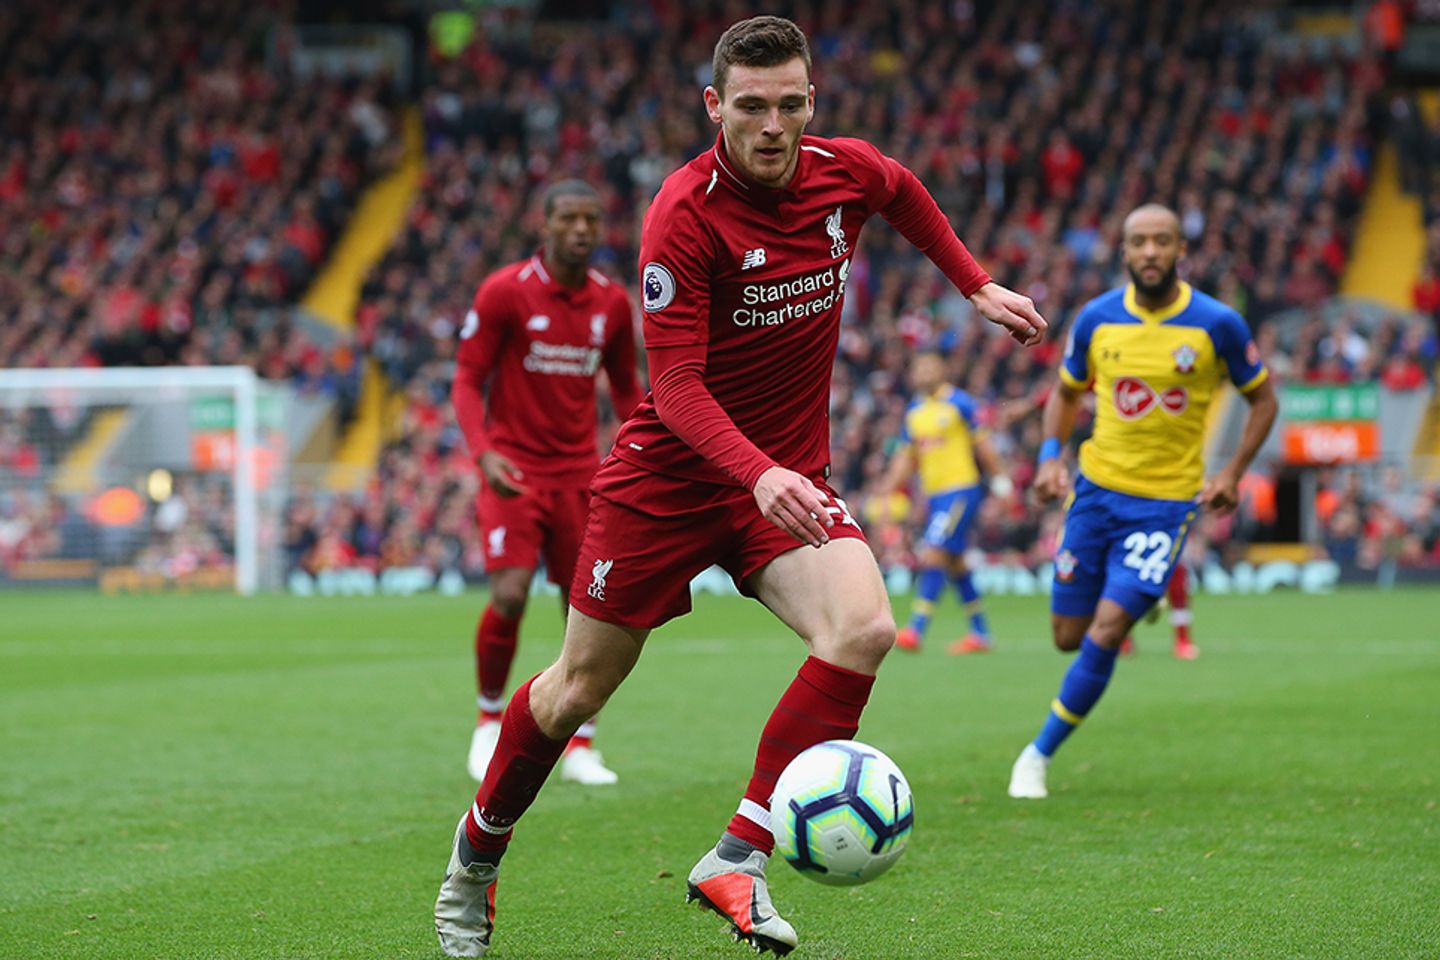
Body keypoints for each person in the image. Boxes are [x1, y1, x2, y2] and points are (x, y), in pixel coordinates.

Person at [434, 16, 1046, 958]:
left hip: (784, 482)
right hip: (669, 482)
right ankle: (476, 855)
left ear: (811, 103)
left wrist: (975, 284)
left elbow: (905, 191)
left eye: (789, 104)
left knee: (864, 629)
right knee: (577, 690)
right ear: (715, 105)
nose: (771, 125)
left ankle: (739, 855)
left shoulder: (846, 170)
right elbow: (671, 385)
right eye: (751, 106)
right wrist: (755, 472)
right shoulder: (683, 213)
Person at [1007, 204, 1277, 801]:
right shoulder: (1097, 319)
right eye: (1139, 242)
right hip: (1096, 492)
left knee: (1106, 630)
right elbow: (1066, 392)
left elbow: (1264, 401)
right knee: (1066, 633)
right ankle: (1135, 595)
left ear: (1182, 250)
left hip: (1166, 503)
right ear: (1123, 251)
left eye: (1162, 242)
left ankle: (1036, 754)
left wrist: (1232, 472)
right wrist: (1051, 456)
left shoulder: (1218, 324)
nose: (1150, 252)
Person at [451, 179, 643, 787]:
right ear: (546, 224)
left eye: (591, 219)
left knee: (584, 607)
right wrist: (483, 455)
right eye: (569, 219)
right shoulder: (506, 292)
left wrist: (639, 451)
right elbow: (465, 379)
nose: (581, 230)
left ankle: (580, 741)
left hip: (582, 477)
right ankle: (487, 722)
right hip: (514, 471)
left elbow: (627, 391)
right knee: (509, 594)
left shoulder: (611, 304)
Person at [878, 351, 1007, 655]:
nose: (923, 373)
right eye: (918, 368)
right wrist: (887, 492)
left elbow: (983, 444)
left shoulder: (960, 403)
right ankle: (980, 633)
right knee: (956, 564)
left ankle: (915, 629)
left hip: (961, 489)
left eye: (928, 367)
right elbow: (905, 459)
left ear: (942, 370)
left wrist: (1001, 482)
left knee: (934, 552)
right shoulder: (914, 412)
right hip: (936, 495)